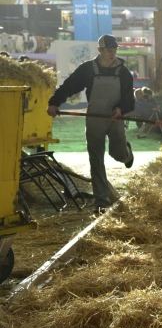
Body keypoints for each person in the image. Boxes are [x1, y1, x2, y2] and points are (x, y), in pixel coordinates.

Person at [46, 34, 134, 214]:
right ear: (99, 50)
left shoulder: (123, 72)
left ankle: (126, 155)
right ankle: (101, 200)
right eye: (109, 50)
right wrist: (54, 102)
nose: (112, 53)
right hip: (94, 118)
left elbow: (129, 100)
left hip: (115, 118)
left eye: (115, 50)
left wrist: (120, 109)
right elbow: (69, 86)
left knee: (116, 153)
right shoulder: (88, 69)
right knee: (96, 158)